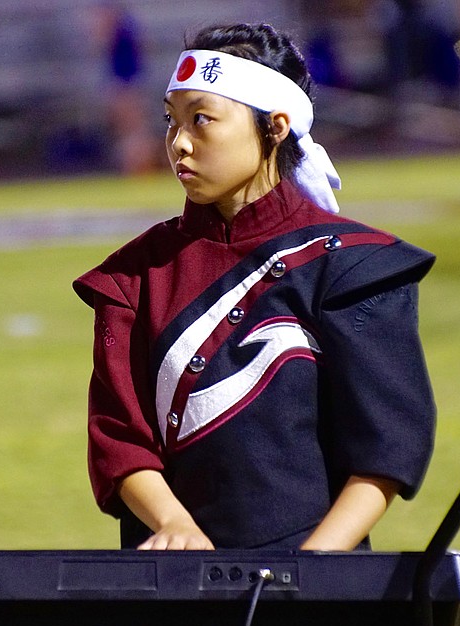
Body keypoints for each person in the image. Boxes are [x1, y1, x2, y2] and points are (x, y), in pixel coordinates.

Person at [73, 23, 436, 551]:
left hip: (319, 586)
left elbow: (385, 450)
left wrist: (310, 570)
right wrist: (176, 528)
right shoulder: (134, 275)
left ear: (276, 127)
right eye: (171, 121)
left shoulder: (354, 265)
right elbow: (120, 440)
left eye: (202, 120)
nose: (178, 143)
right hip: (170, 580)